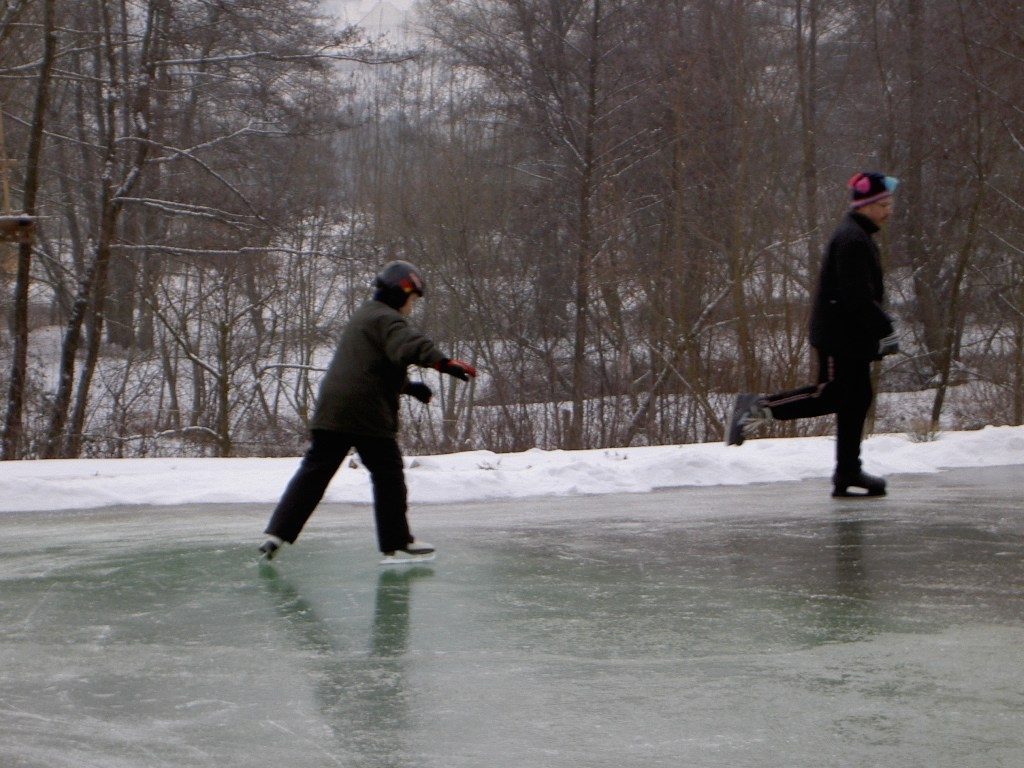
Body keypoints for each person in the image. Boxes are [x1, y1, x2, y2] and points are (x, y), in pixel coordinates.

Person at [260, 260, 477, 562]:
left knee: (315, 472)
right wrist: (441, 361)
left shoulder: (364, 316)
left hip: (333, 409)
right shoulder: (387, 319)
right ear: (399, 294)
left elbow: (367, 369)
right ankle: (396, 540)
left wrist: (409, 387)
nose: (411, 308)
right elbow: (407, 342)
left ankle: (278, 533)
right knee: (388, 473)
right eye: (412, 300)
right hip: (366, 415)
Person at [725, 171, 900, 497]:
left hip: (853, 337)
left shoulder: (859, 235)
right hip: (840, 337)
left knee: (857, 399)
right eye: (885, 204)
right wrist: (885, 328)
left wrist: (877, 330)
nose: (890, 210)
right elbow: (856, 296)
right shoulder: (851, 239)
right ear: (868, 205)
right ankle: (755, 408)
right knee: (831, 394)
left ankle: (848, 472)